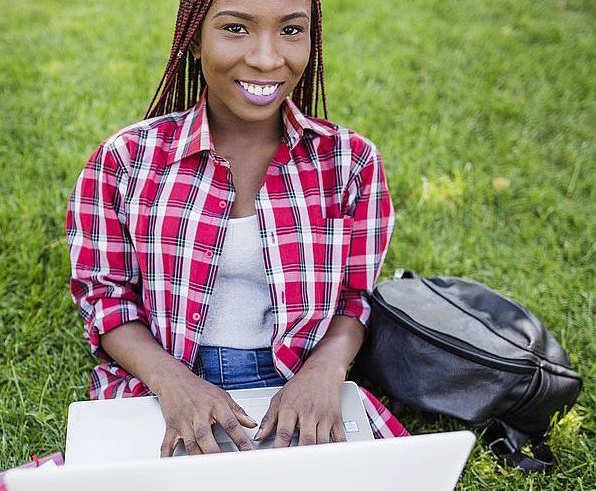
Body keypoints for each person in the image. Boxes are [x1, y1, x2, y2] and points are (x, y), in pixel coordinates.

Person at [65, 0, 408, 458]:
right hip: (163, 384)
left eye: (291, 30)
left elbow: (355, 297)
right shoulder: (126, 161)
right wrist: (172, 383)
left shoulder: (349, 161)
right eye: (236, 28)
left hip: (299, 385)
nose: (267, 59)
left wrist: (324, 371)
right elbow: (105, 298)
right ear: (194, 39)